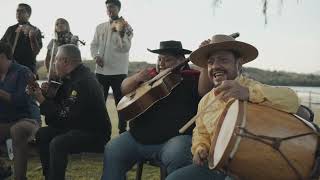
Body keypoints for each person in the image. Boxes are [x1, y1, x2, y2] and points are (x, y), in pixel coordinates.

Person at [166, 34, 300, 180]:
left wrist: (247, 93)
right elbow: (201, 132)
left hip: (249, 168)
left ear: (239, 63)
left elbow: (292, 100)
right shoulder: (205, 101)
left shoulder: (251, 87)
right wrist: (200, 148)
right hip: (214, 166)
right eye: (210, 62)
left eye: (223, 60)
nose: (215, 66)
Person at [101, 40, 201, 180]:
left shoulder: (193, 79)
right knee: (113, 149)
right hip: (136, 138)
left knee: (178, 153)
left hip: (173, 141)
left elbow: (205, 88)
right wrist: (137, 78)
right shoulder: (149, 76)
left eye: (168, 60)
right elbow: (124, 88)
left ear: (181, 60)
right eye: (159, 59)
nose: (161, 63)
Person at [27, 44, 112, 180]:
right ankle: (49, 176)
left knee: (58, 143)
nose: (54, 63)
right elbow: (59, 115)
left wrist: (41, 99)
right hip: (77, 126)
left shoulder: (82, 82)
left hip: (94, 133)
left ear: (65, 61)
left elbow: (64, 115)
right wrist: (47, 96)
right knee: (42, 134)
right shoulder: (70, 78)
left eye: (56, 59)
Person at [90, 0, 133, 134]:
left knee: (121, 104)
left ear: (118, 9)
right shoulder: (100, 27)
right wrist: (96, 56)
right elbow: (93, 45)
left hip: (118, 72)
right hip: (101, 72)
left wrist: (120, 33)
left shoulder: (127, 27)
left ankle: (122, 132)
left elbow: (125, 48)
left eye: (112, 7)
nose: (109, 10)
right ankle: (100, 132)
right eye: (107, 7)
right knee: (98, 104)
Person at [0, 41, 40, 180]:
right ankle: (2, 170)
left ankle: (20, 177)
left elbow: (22, 101)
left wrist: (1, 93)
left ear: (3, 57)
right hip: (6, 121)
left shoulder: (23, 72)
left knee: (17, 130)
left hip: (26, 119)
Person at [1, 3, 43, 75]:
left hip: (27, 70)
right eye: (17, 11)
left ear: (28, 14)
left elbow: (36, 51)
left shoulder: (35, 30)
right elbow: (1, 47)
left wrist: (32, 37)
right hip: (9, 70)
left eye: (22, 11)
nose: (18, 13)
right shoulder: (10, 29)